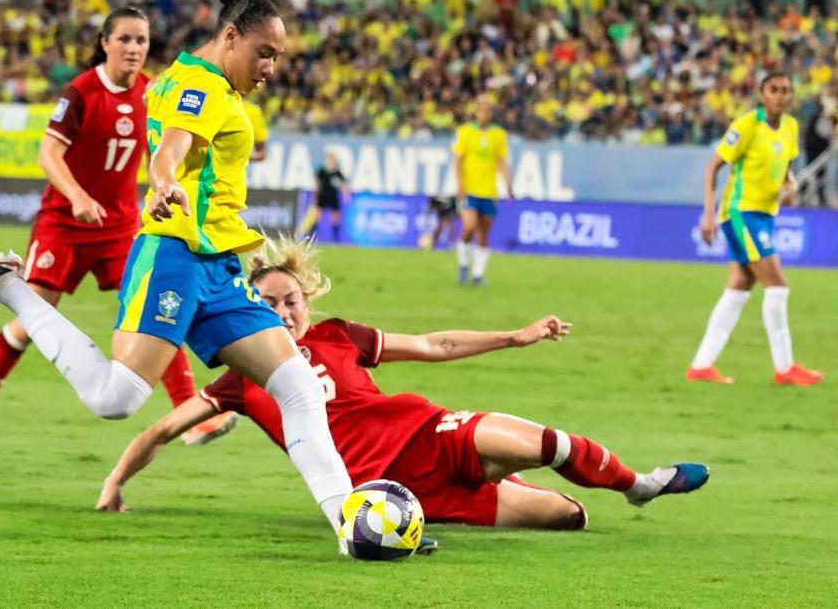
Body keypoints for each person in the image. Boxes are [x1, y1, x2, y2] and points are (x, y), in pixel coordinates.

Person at [0, 0, 354, 541]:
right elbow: (171, 149)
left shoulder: (187, 78)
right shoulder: (199, 87)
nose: (272, 67)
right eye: (265, 53)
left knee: (298, 386)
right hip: (176, 255)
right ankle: (9, 288)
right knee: (116, 398)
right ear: (231, 36)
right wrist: (162, 183)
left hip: (219, 263)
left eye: (277, 56)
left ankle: (354, 526)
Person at [96, 237, 710, 531]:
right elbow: (163, 426)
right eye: (270, 304)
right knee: (569, 517)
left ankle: (638, 485)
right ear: (250, 310)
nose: (284, 313)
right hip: (394, 494)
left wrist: (514, 336)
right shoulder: (240, 378)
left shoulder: (339, 335)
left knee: (550, 442)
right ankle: (501, 472)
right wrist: (117, 479)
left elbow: (433, 344)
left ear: (306, 301)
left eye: (291, 301)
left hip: (429, 435)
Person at [0, 7, 228, 442]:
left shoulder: (152, 92)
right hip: (64, 223)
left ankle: (192, 417)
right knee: (34, 314)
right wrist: (78, 196)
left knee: (157, 308)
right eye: (125, 39)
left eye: (141, 40)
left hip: (120, 227)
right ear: (105, 42)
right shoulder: (80, 92)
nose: (134, 48)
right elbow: (49, 153)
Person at [687, 71, 824, 387]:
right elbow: (713, 167)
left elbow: (786, 168)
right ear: (762, 93)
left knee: (738, 288)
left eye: (786, 90)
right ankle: (785, 368)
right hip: (740, 212)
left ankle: (701, 365)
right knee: (777, 284)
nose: (780, 95)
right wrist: (708, 215)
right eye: (774, 89)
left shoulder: (790, 126)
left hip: (765, 214)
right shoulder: (746, 125)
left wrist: (791, 187)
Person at [453, 98, 515, 285]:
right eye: (481, 111)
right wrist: (460, 185)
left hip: (489, 192)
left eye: (487, 111)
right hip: (470, 190)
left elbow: (502, 162)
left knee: (484, 234)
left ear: (491, 114)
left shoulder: (498, 134)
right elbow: (458, 160)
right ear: (476, 113)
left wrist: (509, 186)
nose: (484, 114)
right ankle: (464, 263)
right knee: (469, 227)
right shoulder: (465, 132)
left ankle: (478, 274)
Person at [298, 150, 347, 241]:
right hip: (322, 196)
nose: (331, 161)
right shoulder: (322, 172)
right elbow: (317, 184)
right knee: (316, 217)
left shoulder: (337, 173)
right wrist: (315, 195)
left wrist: (345, 194)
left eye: (333, 160)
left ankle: (336, 239)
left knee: (335, 219)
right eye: (329, 159)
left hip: (333, 198)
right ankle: (311, 237)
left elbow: (344, 184)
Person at [244, 98, 270, 163]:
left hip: (234, 171)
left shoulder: (252, 111)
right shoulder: (217, 104)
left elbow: (262, 152)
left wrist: (240, 158)